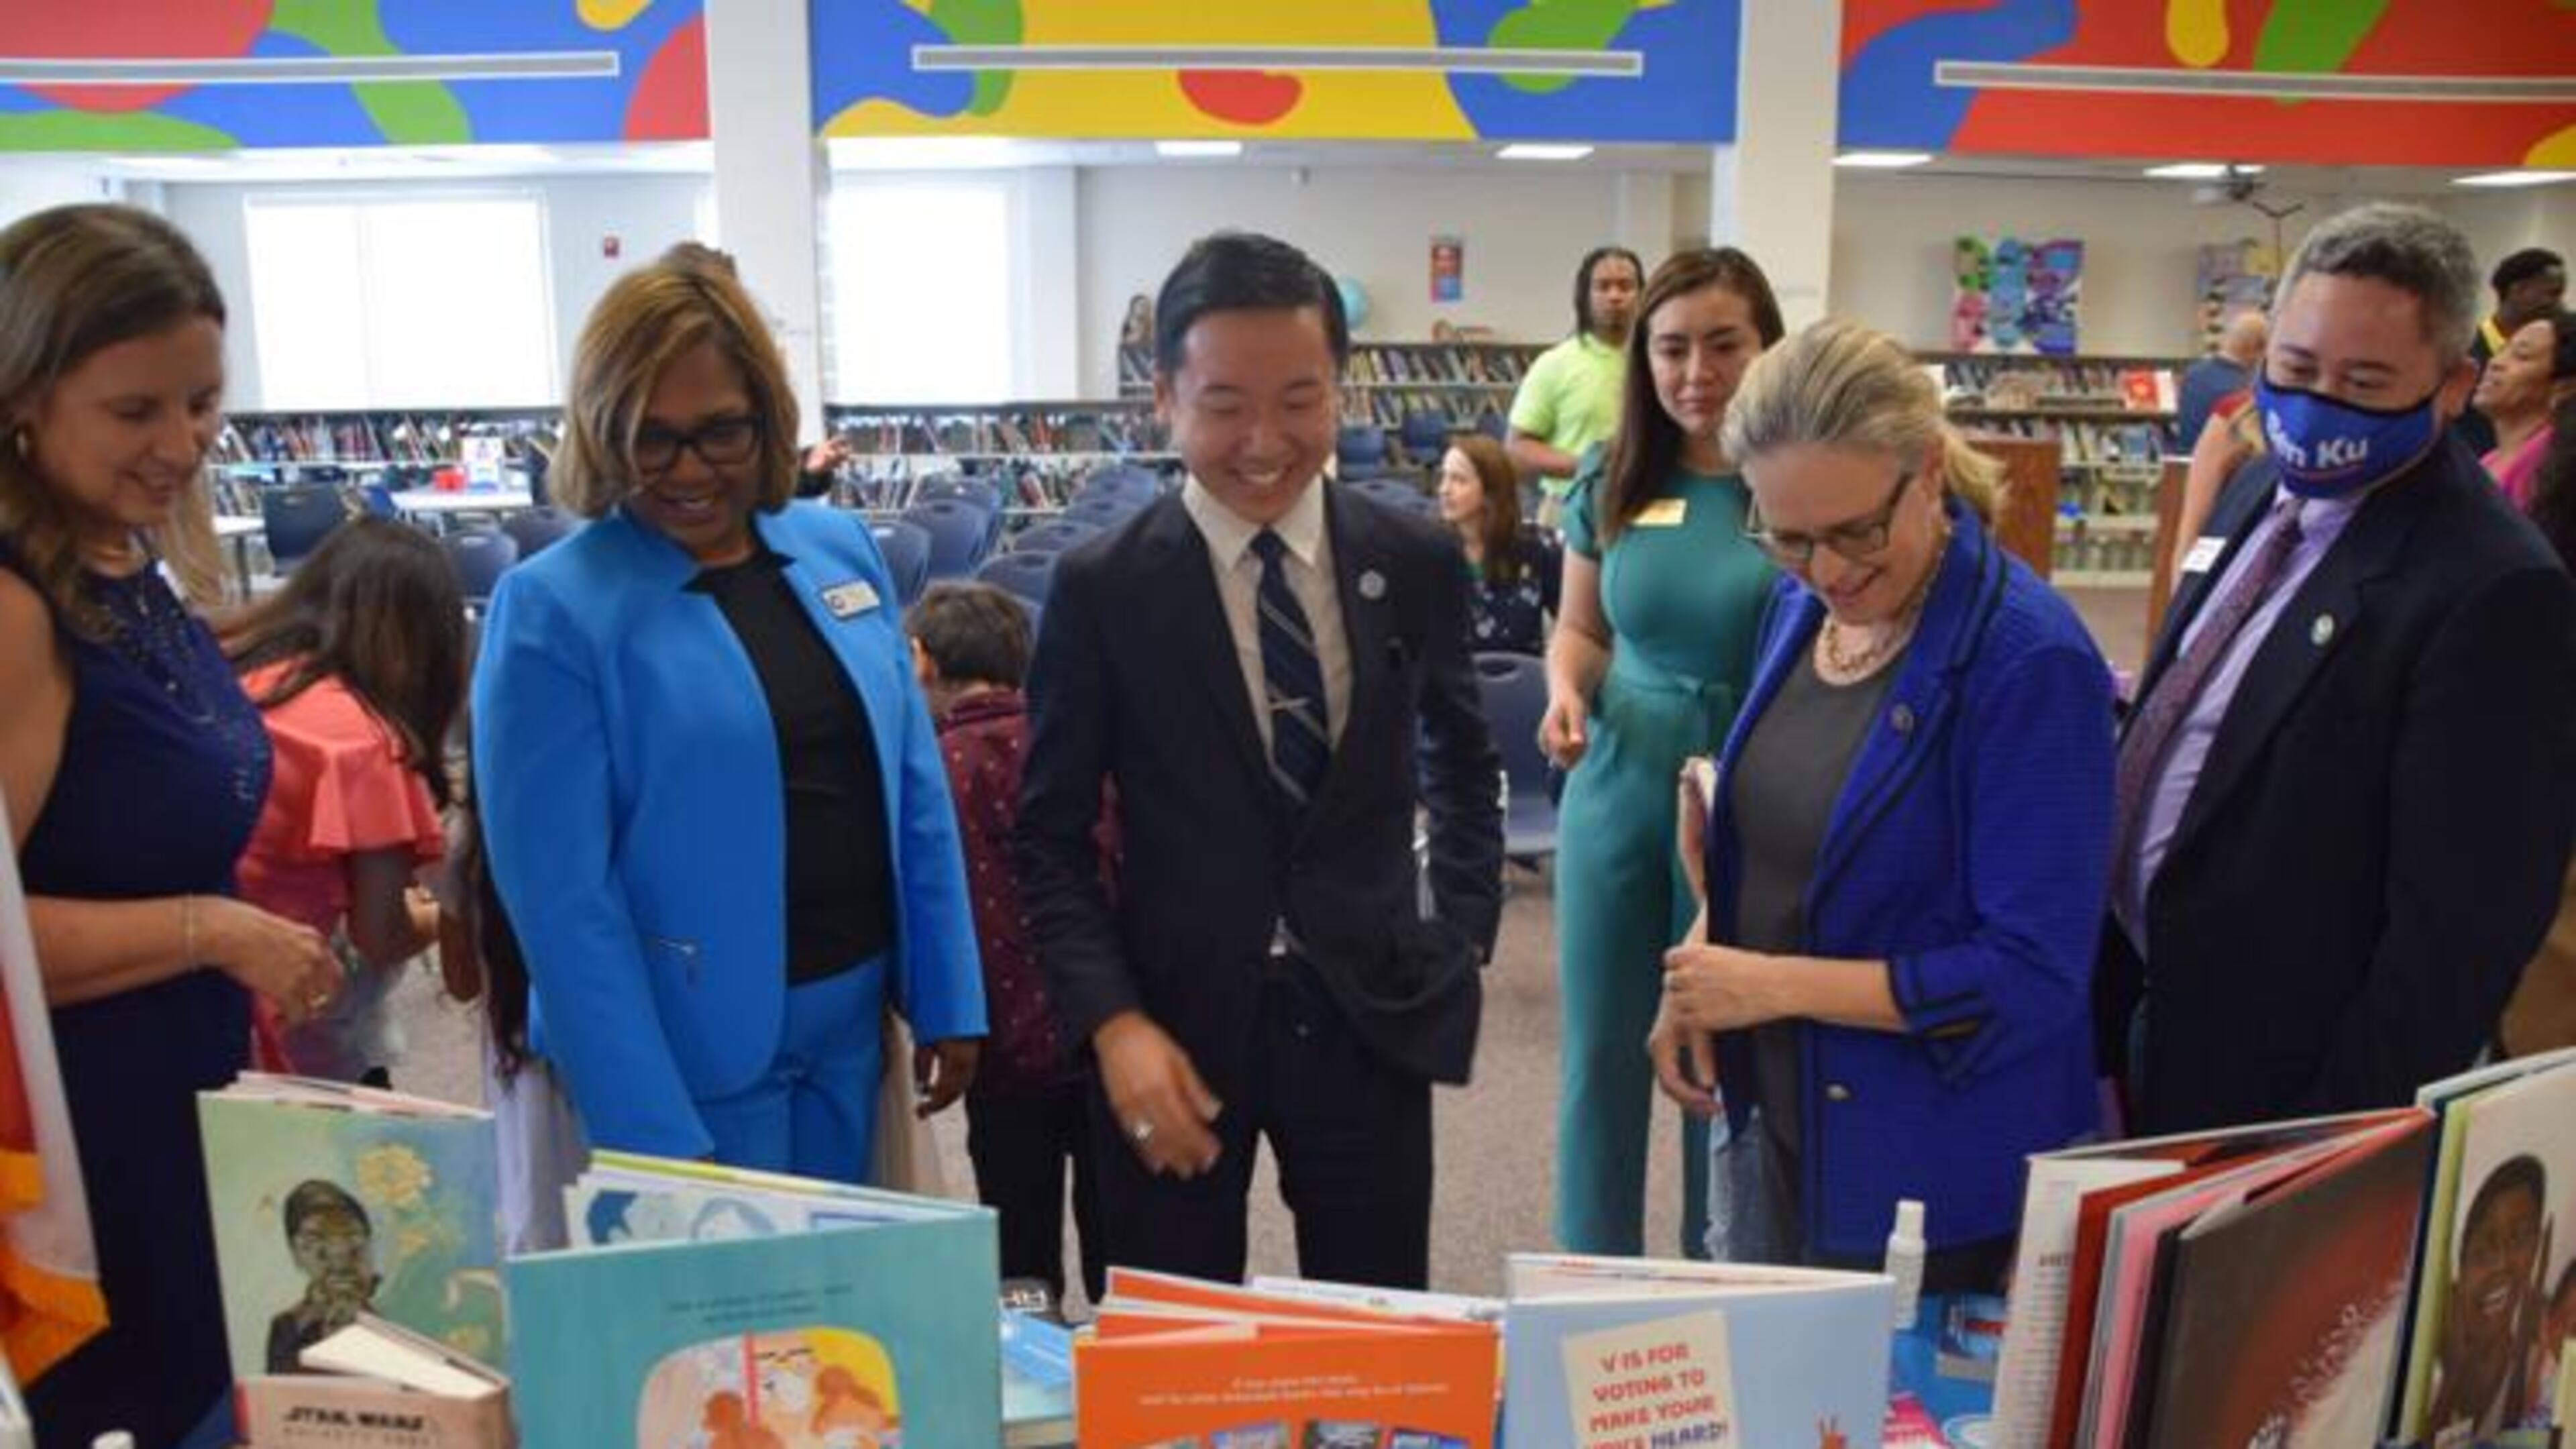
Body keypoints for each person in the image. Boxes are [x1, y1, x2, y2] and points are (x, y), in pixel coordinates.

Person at [1018, 231, 1503, 1290]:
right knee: (1177, 1348)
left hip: (1367, 1015)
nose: (1266, 440)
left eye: (1300, 398)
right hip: (1172, 1030)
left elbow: (1462, 760)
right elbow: (1047, 840)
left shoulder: (1411, 559)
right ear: (1164, 397)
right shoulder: (1106, 587)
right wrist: (1113, 1023)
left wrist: (1458, 938)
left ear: (1341, 387)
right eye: (1226, 402)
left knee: (1377, 1348)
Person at [472, 254, 987, 1179]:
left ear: (768, 417)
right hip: (684, 1060)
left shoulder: (836, 550)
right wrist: (650, 1133)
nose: (689, 470)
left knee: (855, 1314)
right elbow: (559, 901)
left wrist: (950, 990)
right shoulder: (553, 607)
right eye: (651, 438)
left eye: (721, 434)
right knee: (726, 1321)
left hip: (856, 1027)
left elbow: (912, 782)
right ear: (602, 431)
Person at [1647, 319, 2114, 1282]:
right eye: (1788, 538)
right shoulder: (1800, 610)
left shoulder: (2028, 662)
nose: (1828, 572)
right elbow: (1788, 837)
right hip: (1786, 1113)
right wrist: (1703, 968)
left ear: (1930, 471)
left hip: (1933, 1167)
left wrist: (1769, 987)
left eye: (1858, 531)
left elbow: (2033, 974)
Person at [2100, 204, 2576, 1134]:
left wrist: (2330, 1143)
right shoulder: (2259, 487)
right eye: (2295, 370)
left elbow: (2458, 939)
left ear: (2451, 387)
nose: (2318, 409)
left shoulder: (2495, 591)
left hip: (2287, 1081)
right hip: (2143, 1013)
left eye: (2365, 382)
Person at [0, 202, 341, 1447]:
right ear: (24, 397)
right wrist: (208, 928)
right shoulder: (17, 607)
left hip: (184, 1099)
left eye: (201, 403)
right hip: (85, 1146)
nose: (183, 444)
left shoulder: (120, 561)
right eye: (136, 411)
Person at [1539, 248, 1784, 1256]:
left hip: (1753, 783)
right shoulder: (1614, 473)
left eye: (1723, 345)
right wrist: (1564, 690)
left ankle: (1712, 1271)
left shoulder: (1799, 477)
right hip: (1621, 773)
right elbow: (1582, 630)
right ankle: (1585, 1275)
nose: (1696, 373)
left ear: (1767, 346)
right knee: (1600, 1047)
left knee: (1719, 1047)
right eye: (1671, 349)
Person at [904, 581, 1104, 1309]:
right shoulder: (1075, 744)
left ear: (920, 661)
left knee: (1019, 1260)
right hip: (1101, 1032)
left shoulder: (931, 771)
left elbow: (924, 910)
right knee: (1124, 1244)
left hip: (994, 1046)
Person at [228, 517, 464, 1085]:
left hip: (206, 993)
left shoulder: (244, 678)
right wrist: (440, 916)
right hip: (296, 1021)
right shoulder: (364, 743)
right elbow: (380, 937)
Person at [1509, 246, 1644, 518]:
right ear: (1584, 296)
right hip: (1568, 508)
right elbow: (1517, 449)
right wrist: (1590, 466)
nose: (1615, 296)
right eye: (1603, 287)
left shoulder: (1657, 361)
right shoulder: (1555, 364)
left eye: (1625, 286)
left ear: (1642, 295)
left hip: (1642, 509)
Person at [2426, 1155, 2549, 1442]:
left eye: (2519, 1239)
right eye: (2484, 1248)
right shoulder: (2422, 1374)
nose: (2503, 1264)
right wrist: (2451, 1383)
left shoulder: (2538, 1370)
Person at [1434, 432, 1560, 655]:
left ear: (1491, 491)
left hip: (1524, 683)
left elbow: (1576, 626)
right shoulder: (1429, 547)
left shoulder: (1538, 547)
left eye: (1459, 480)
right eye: (1444, 477)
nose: (1444, 489)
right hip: (1455, 685)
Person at [2460, 248, 2567, 455]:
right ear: (2518, 290)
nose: (2559, 305)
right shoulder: (2459, 352)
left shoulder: (2557, 359)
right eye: (2553, 294)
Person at [264, 1180, 378, 1374]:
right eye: (316, 1240)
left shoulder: (382, 1324)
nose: (338, 1254)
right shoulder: (287, 1328)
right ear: (295, 1252)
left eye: (351, 1236)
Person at [2475, 309, 2575, 508]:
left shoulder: (2553, 466)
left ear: (2563, 386)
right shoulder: (2489, 461)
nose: (2495, 363)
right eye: (2502, 351)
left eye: (2522, 356)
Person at [2174, 310, 2267, 449]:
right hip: (2218, 467)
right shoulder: (2243, 391)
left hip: (2185, 465)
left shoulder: (2192, 375)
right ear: (2256, 350)